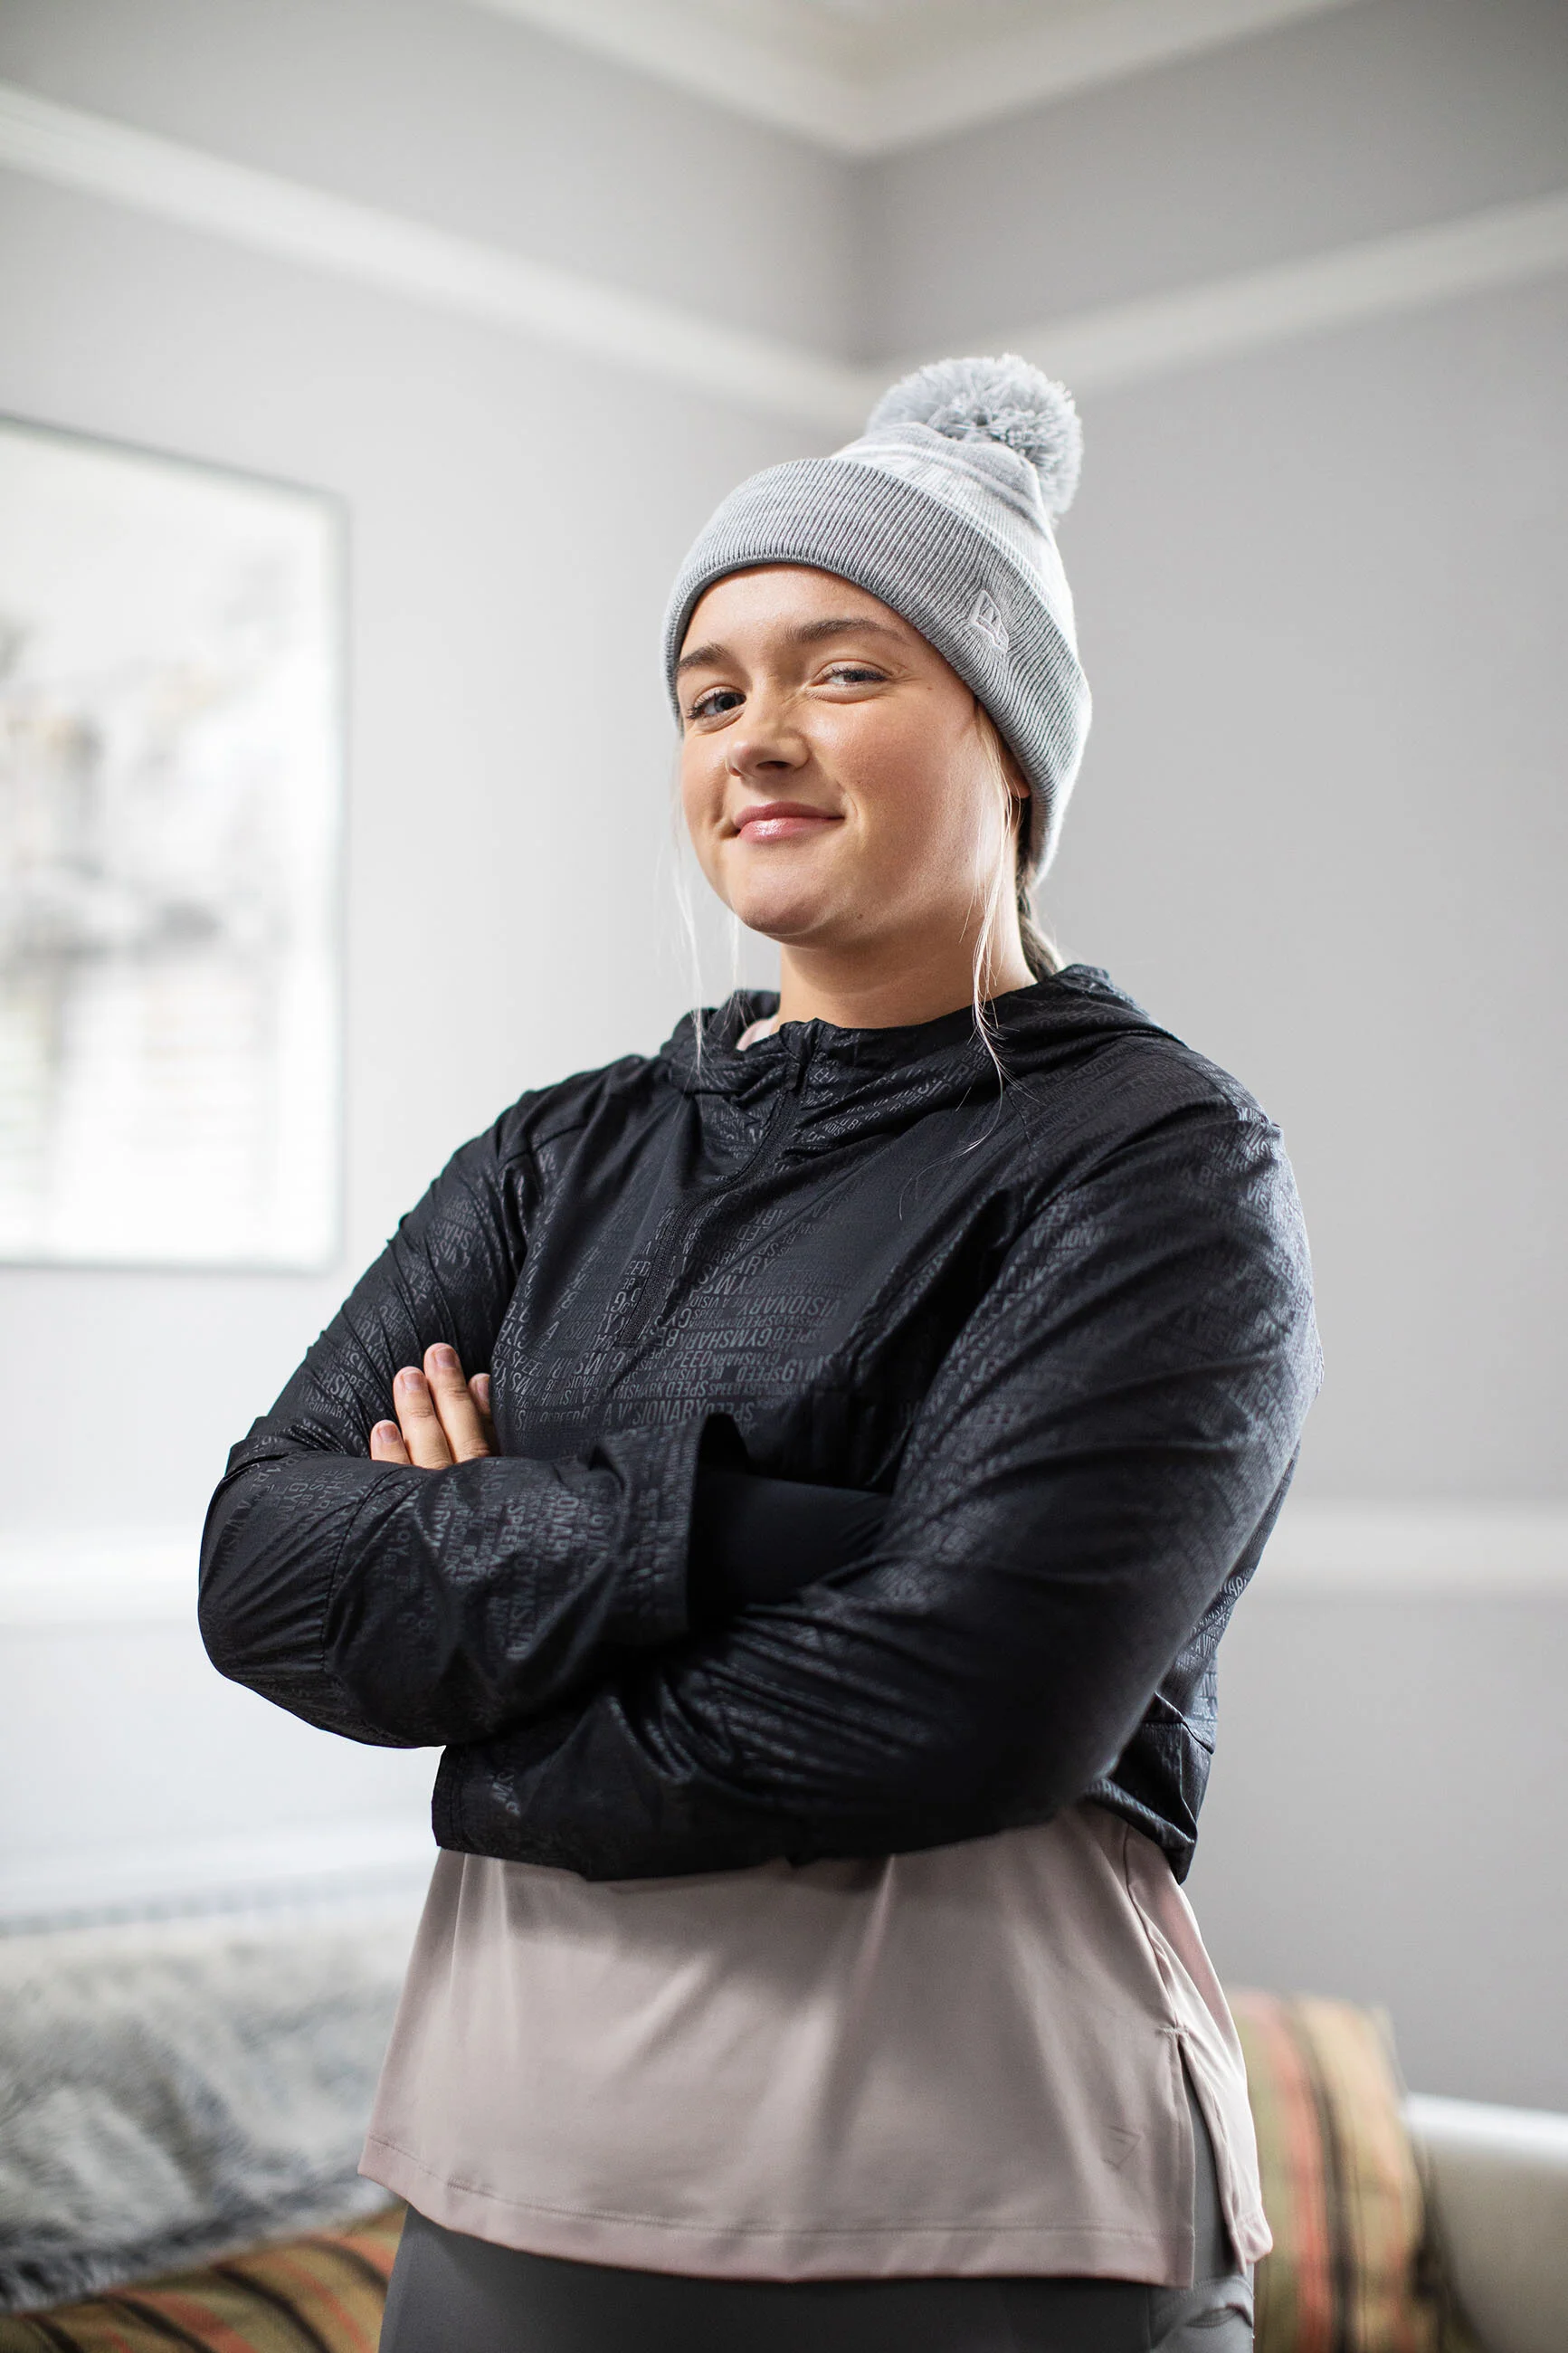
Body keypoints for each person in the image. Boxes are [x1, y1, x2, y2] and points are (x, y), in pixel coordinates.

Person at [200, 355, 1320, 2352]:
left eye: (843, 671)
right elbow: (266, 1564)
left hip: (980, 2223)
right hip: (502, 2199)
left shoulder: (1157, 1159)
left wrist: (486, 1659)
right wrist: (733, 1533)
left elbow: (968, 1700)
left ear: (1011, 738)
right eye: (711, 694)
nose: (757, 739)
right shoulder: (557, 1152)